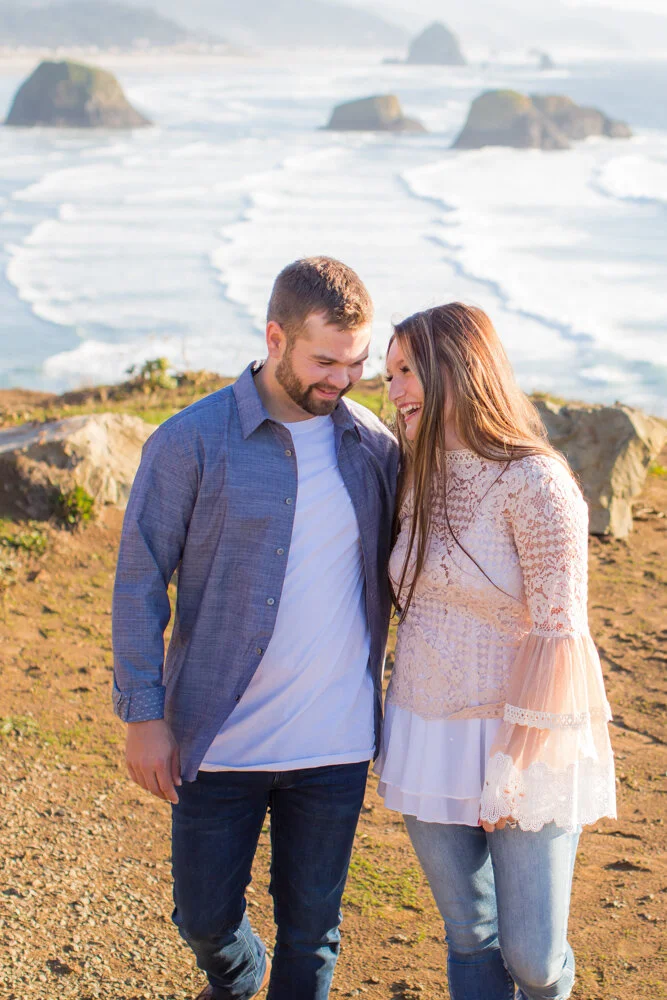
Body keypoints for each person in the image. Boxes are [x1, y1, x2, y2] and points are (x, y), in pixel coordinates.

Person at [112, 257, 399, 1000]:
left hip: (333, 741)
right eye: (324, 360)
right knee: (202, 917)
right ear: (275, 337)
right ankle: (239, 979)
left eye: (357, 361)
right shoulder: (188, 441)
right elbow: (140, 581)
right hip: (217, 736)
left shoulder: (371, 447)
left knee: (313, 931)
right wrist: (144, 716)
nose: (342, 378)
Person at [376, 303, 616, 1000]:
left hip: (524, 739)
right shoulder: (411, 471)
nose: (392, 391)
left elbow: (559, 636)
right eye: (387, 375)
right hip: (425, 730)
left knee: (534, 959)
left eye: (405, 372)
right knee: (469, 937)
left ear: (459, 368)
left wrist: (513, 766)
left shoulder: (535, 483)